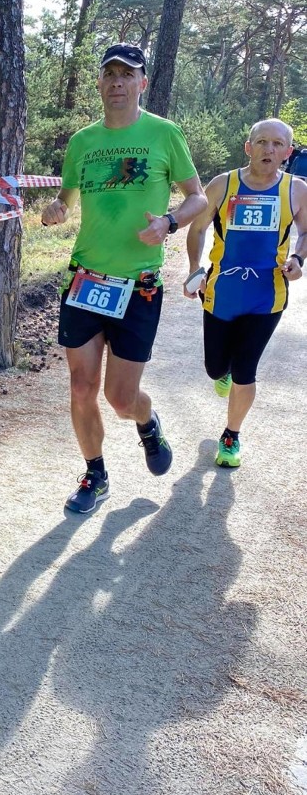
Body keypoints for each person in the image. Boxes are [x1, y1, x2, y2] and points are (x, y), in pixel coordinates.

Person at [41, 43, 205, 514]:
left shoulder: (163, 134)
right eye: (109, 73)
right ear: (99, 83)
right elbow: (64, 202)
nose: (117, 82)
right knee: (80, 386)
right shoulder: (82, 142)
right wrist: (55, 211)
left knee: (120, 397)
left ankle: (147, 422)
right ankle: (95, 474)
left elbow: (197, 198)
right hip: (86, 280)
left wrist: (169, 223)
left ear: (142, 83)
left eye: (126, 74)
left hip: (139, 286)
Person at [184, 117, 307, 468]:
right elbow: (197, 229)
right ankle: (221, 372)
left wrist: (297, 258)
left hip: (267, 296)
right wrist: (195, 269)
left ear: (288, 152)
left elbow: (306, 232)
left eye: (278, 144)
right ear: (248, 147)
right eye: (262, 142)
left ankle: (231, 436)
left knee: (246, 369)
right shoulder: (224, 184)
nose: (269, 150)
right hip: (221, 291)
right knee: (214, 368)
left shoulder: (296, 190)